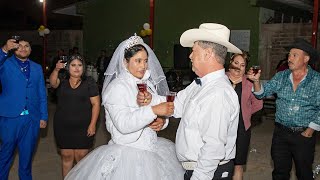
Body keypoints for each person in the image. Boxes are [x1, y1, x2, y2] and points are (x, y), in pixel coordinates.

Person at [65, 35, 184, 180]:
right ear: (125, 62)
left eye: (145, 61)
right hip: (127, 155)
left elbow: (157, 107)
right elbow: (123, 125)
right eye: (138, 61)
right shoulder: (117, 88)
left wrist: (161, 121)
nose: (143, 66)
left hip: (152, 150)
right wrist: (153, 111)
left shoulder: (147, 84)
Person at [247, 38, 320, 180]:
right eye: (289, 55)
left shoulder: (317, 80)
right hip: (281, 133)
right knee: (279, 173)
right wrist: (256, 81)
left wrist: (310, 131)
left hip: (304, 135)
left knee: (304, 174)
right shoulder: (281, 76)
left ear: (306, 58)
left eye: (294, 55)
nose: (289, 58)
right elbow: (262, 93)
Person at [0, 38, 48, 180]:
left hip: (31, 119)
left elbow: (41, 93)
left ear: (30, 49)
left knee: (26, 158)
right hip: (10, 118)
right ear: (14, 49)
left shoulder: (37, 67)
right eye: (19, 46)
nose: (23, 48)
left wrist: (43, 116)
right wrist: (4, 49)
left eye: (26, 46)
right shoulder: (5, 64)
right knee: (5, 155)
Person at [49, 55, 100, 178]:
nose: (76, 68)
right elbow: (53, 83)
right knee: (66, 156)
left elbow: (96, 104)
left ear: (83, 67)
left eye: (79, 65)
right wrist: (56, 69)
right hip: (63, 126)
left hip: (84, 127)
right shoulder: (62, 80)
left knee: (81, 157)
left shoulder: (89, 82)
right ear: (67, 67)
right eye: (73, 65)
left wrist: (92, 124)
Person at [227, 51, 263, 180]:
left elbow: (258, 104)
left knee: (238, 165)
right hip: (220, 126)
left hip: (241, 127)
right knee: (218, 163)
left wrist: (246, 112)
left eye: (242, 65)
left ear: (245, 68)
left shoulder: (249, 83)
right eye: (236, 63)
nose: (238, 67)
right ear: (230, 63)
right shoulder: (220, 79)